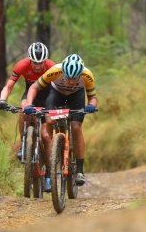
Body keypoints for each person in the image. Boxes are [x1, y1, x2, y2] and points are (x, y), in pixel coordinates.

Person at [23, 54, 97, 187]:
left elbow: (92, 97)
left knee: (76, 126)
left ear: (80, 75)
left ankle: (79, 170)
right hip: (56, 94)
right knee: (49, 121)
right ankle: (50, 163)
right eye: (68, 77)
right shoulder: (55, 71)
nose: (70, 82)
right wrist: (28, 104)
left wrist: (91, 105)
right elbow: (34, 87)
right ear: (63, 72)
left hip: (77, 96)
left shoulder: (87, 76)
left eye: (74, 78)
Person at [0, 42, 55, 161]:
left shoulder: (52, 66)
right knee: (24, 110)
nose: (38, 66)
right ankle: (24, 144)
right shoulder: (21, 65)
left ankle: (49, 172)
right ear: (29, 60)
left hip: (47, 96)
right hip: (30, 94)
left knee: (45, 136)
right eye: (35, 63)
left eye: (41, 62)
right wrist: (2, 100)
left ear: (46, 60)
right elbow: (8, 86)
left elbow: (59, 88)